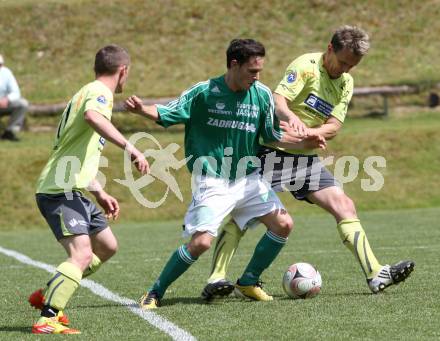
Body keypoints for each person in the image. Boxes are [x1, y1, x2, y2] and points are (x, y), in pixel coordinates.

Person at [202, 25, 415, 301]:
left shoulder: (346, 82)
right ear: (330, 49)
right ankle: (216, 278)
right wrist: (296, 122)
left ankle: (376, 274)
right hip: (271, 151)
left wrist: (314, 133)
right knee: (244, 215)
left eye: (352, 66)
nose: (345, 70)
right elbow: (278, 102)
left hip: (304, 158)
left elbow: (334, 125)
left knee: (345, 205)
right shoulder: (305, 66)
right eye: (343, 62)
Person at [125, 38, 325, 309]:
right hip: (212, 179)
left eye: (260, 71)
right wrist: (141, 110)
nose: (257, 77)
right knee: (201, 243)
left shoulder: (262, 95)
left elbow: (272, 136)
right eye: (252, 71)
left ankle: (249, 280)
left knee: (284, 225)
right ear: (234, 64)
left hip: (249, 178)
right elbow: (167, 113)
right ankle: (155, 292)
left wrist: (305, 142)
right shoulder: (204, 92)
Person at [28, 45, 149, 334]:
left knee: (107, 246)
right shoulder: (100, 93)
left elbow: (78, 154)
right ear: (123, 71)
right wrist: (131, 147)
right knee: (81, 254)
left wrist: (99, 192)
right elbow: (94, 118)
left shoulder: (87, 91)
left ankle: (48, 295)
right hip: (59, 189)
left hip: (72, 188)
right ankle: (48, 317)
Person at [0, 53, 28, 141]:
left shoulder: (6, 72)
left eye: (0, 65)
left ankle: (9, 132)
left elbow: (16, 92)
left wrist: (7, 99)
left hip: (3, 106)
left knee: (22, 104)